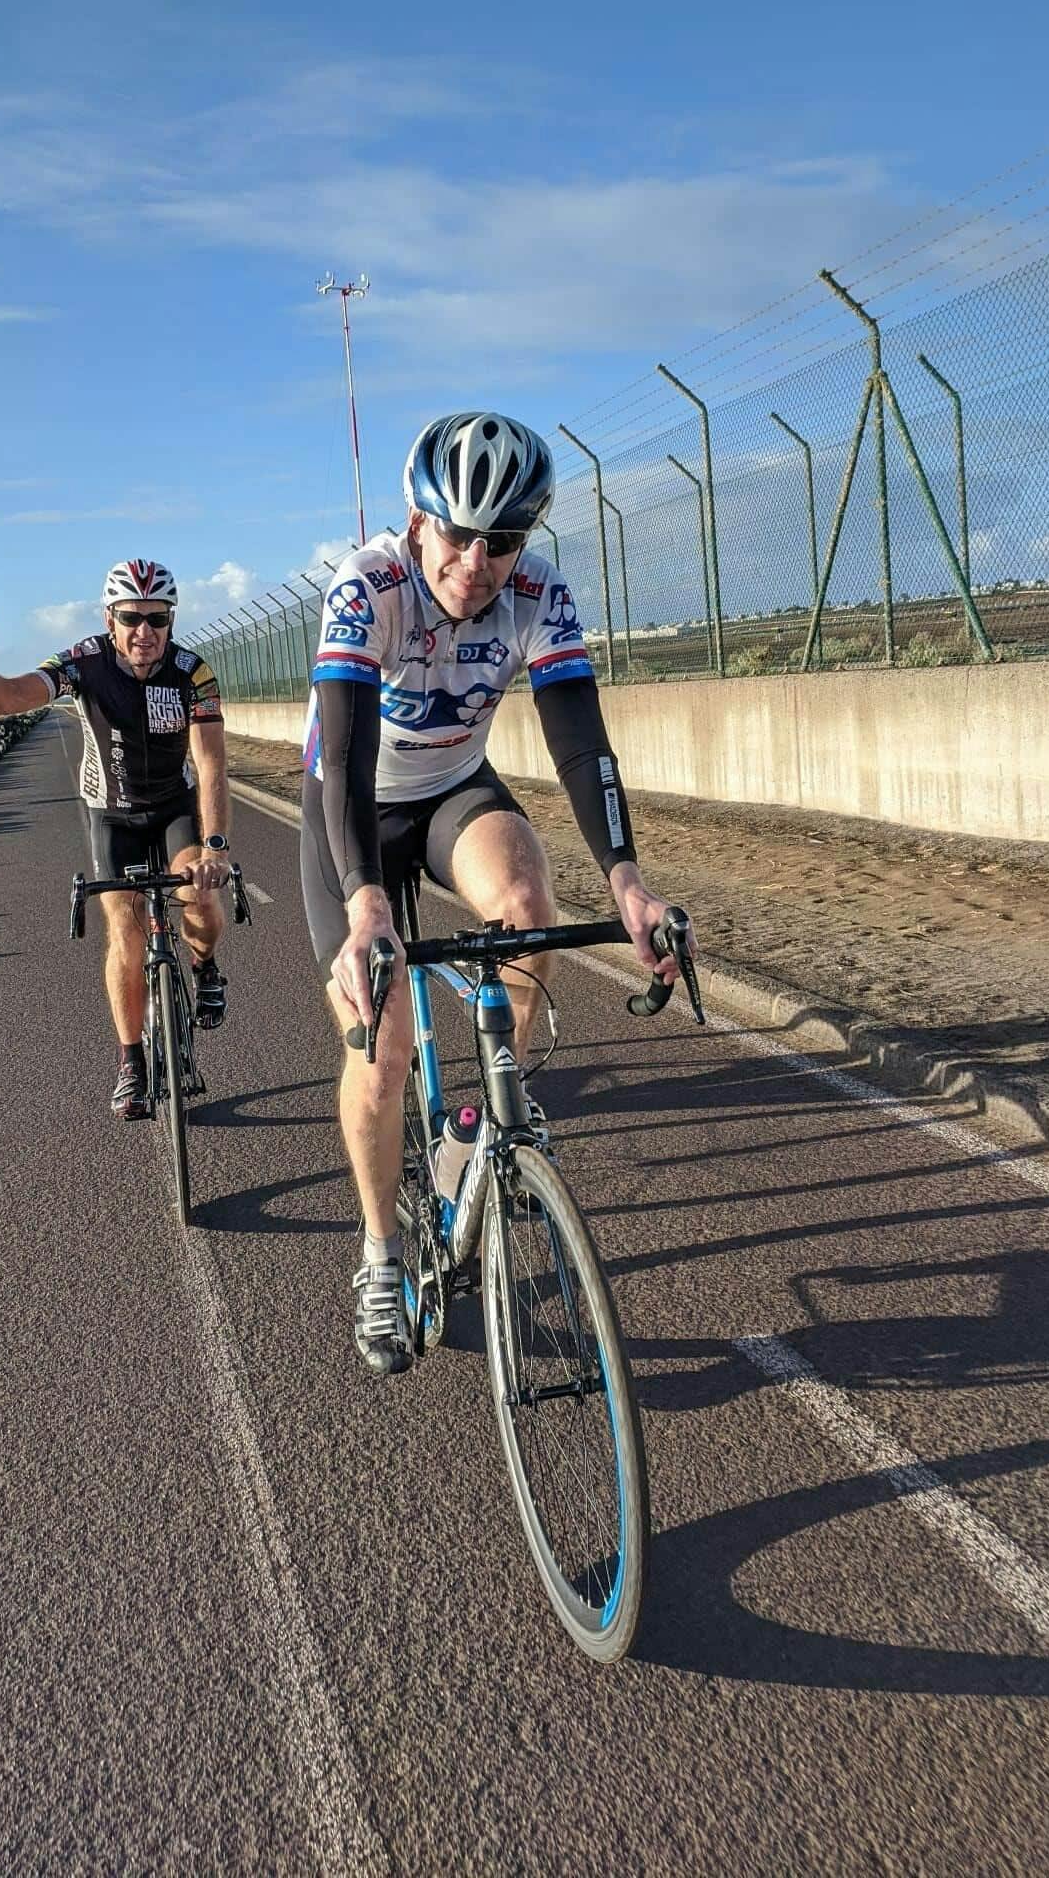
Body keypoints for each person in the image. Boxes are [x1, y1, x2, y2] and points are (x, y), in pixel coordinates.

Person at [300, 413, 689, 1376]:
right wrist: (363, 904)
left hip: (451, 791)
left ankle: (489, 1115)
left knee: (527, 903)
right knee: (381, 1045)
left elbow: (581, 741)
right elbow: (342, 755)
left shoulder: (541, 594)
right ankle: (381, 1256)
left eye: (503, 539)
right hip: (350, 806)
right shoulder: (368, 584)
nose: (478, 561)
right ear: (417, 521)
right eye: (458, 533)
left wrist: (630, 884)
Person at [0, 560, 233, 1118]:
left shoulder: (194, 673)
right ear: (110, 619)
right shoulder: (82, 662)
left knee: (202, 898)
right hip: (110, 812)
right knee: (125, 931)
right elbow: (9, 699)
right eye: (132, 617)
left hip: (173, 807)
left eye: (157, 618)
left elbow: (210, 763)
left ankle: (205, 966)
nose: (145, 631)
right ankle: (131, 1062)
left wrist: (214, 846)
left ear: (171, 619)